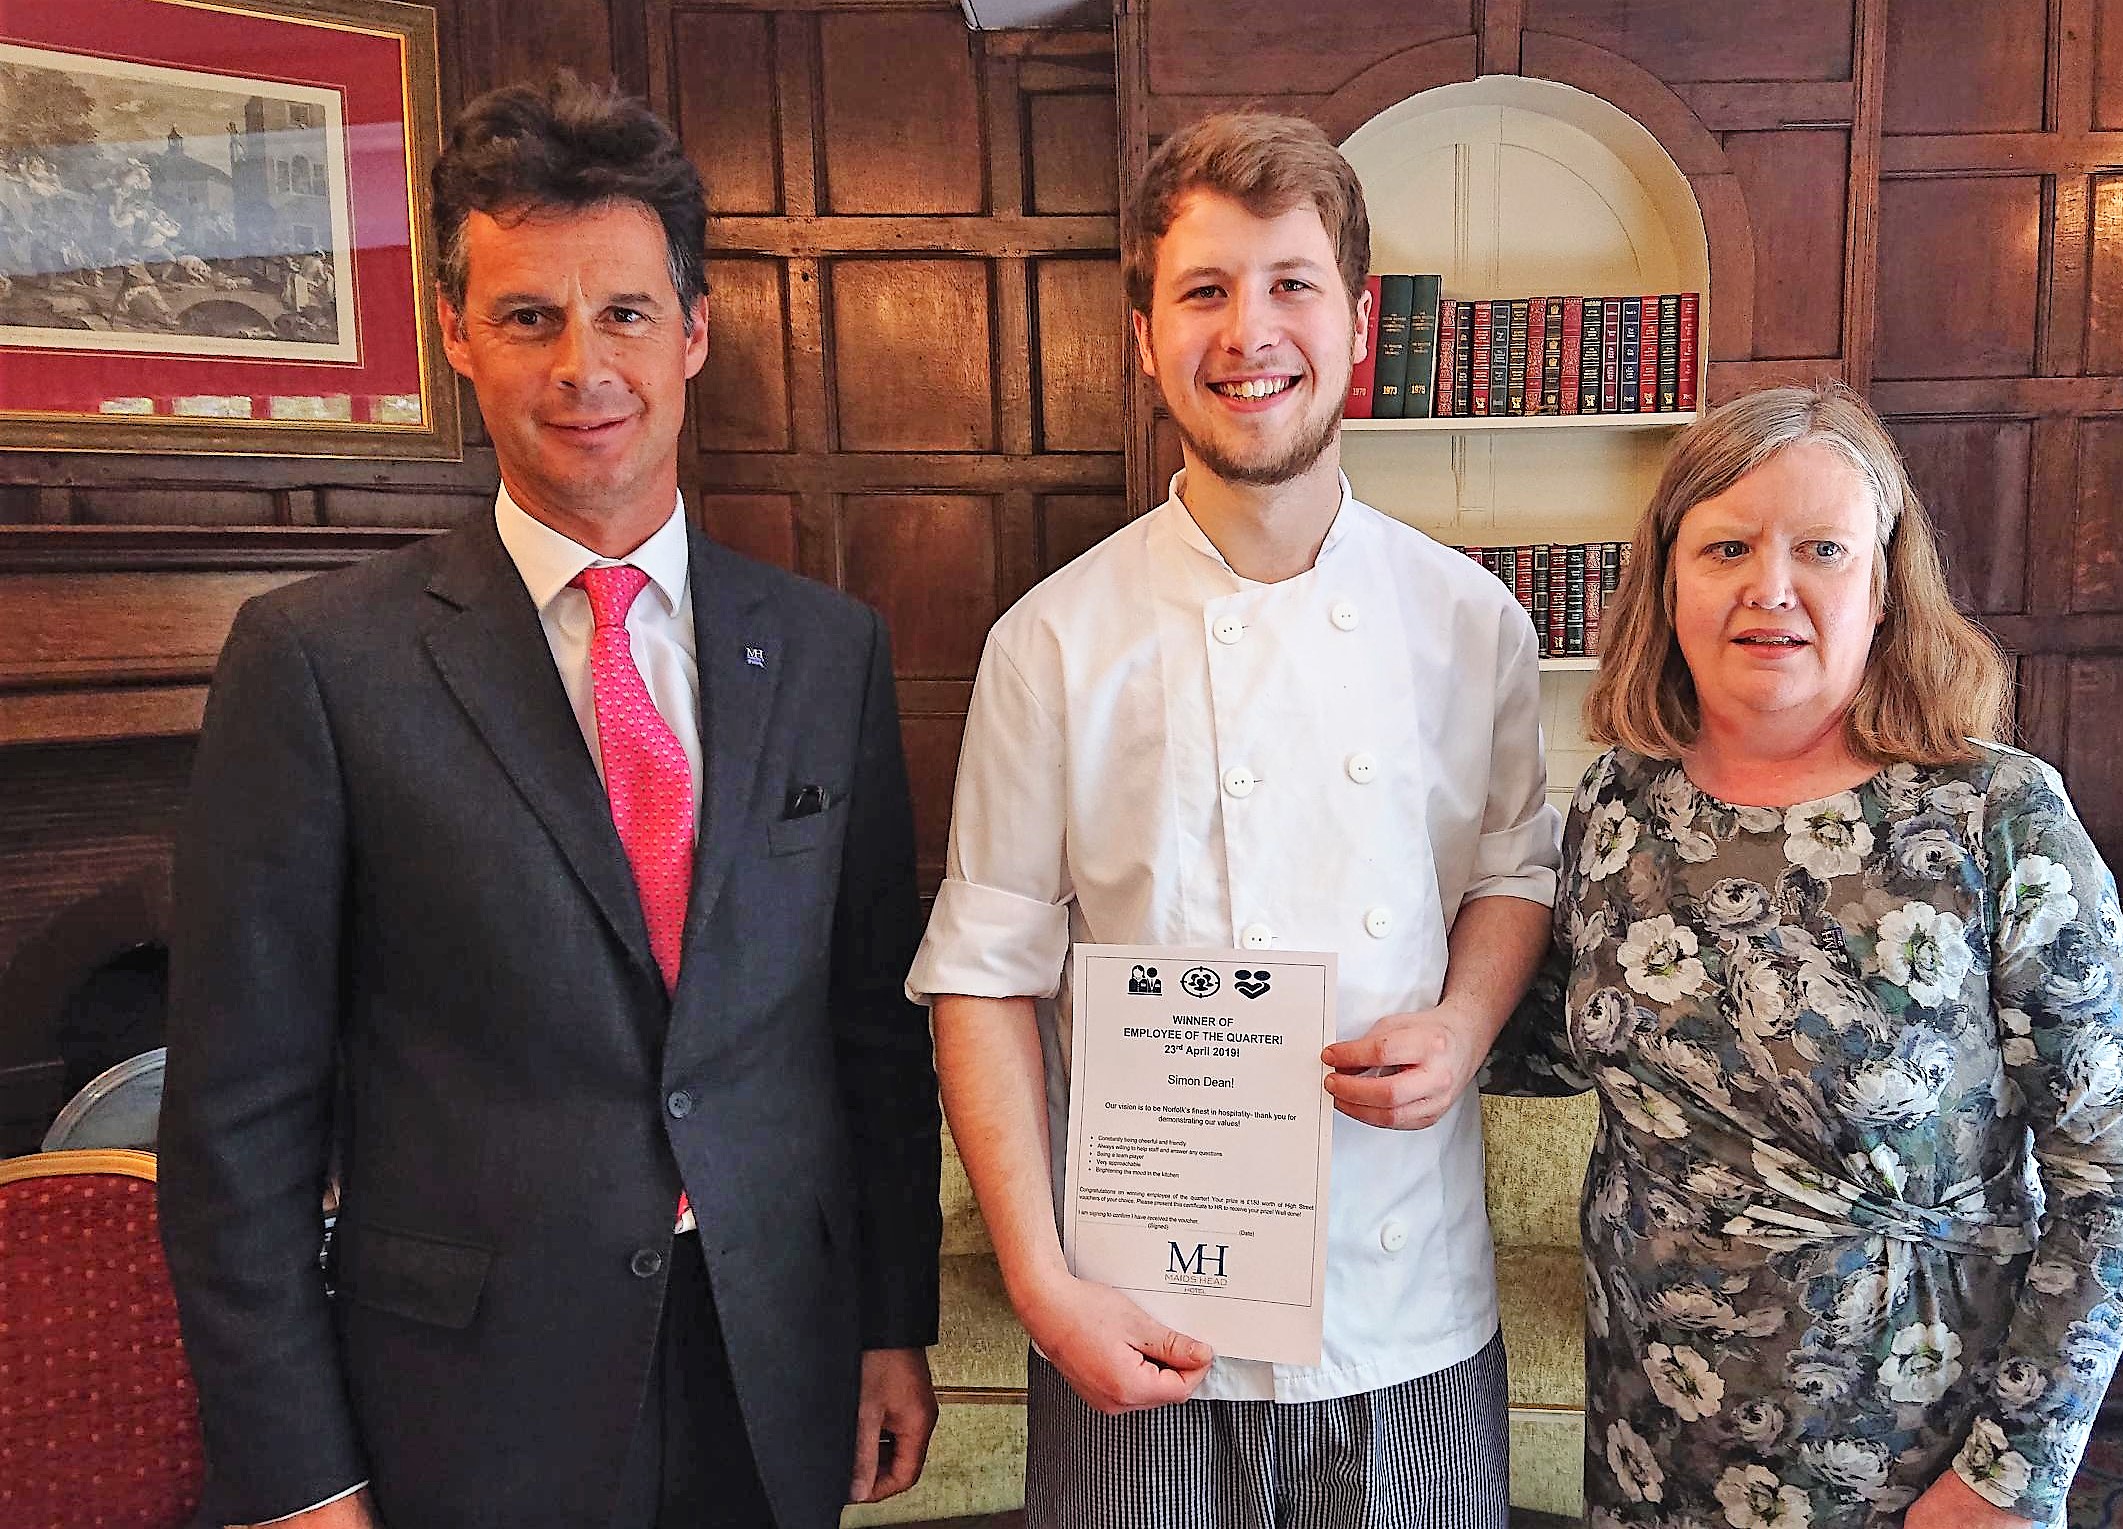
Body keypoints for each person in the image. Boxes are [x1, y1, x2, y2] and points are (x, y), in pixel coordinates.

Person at [157, 74, 940, 1529]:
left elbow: (867, 1038)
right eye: (529, 316)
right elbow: (236, 1119)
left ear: (693, 331)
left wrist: (893, 1321)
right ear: (459, 333)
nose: (585, 365)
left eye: (626, 313)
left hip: (771, 1357)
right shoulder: (319, 662)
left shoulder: (828, 648)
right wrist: (293, 1470)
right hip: (465, 1397)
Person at [906, 111, 1561, 1528]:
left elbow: (1513, 869)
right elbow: (982, 976)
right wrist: (1040, 1285)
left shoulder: (1472, 624)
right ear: (1142, 333)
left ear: (1359, 321)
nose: (1247, 330)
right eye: (1202, 290)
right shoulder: (1052, 643)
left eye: (1289, 284)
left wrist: (1462, 1026)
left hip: (1405, 1313)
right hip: (1128, 1309)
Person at [1486, 382, 2123, 1529]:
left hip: (1906, 1451)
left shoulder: (1993, 814)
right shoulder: (1618, 797)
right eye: (1725, 546)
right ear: (1666, 579)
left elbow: (2120, 1177)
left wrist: (2010, 1473)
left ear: (1882, 582)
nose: (1770, 586)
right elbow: (1559, 1045)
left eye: (1819, 547)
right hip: (1650, 1435)